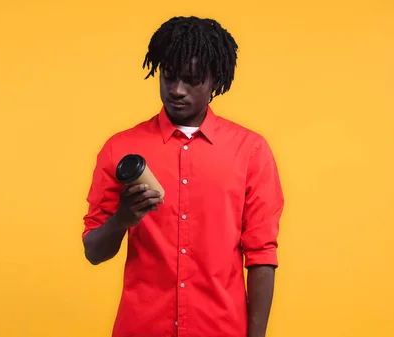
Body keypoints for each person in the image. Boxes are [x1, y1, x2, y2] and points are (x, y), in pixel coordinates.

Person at [82, 16, 284, 337]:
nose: (177, 90)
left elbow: (261, 255)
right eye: (169, 76)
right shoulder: (120, 148)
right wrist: (122, 219)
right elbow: (94, 252)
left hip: (221, 329)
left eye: (191, 80)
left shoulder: (251, 151)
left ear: (215, 81)